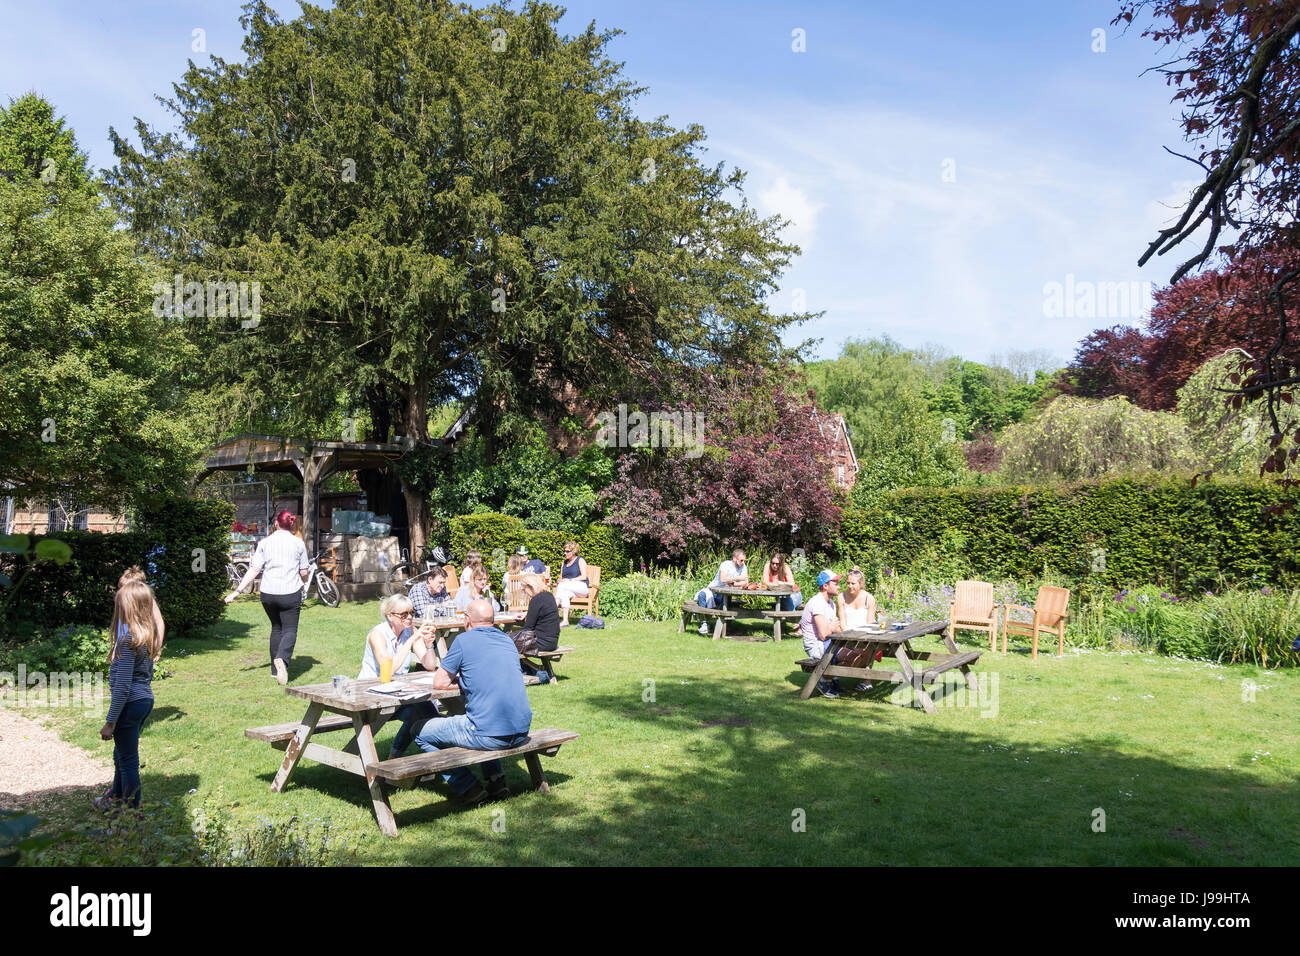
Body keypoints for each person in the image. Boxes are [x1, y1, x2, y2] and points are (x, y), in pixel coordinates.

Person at [412, 599, 533, 804]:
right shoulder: (507, 641)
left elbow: (440, 682)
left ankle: (467, 786)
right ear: (493, 621)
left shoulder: (463, 641)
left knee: (419, 730)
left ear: (467, 621)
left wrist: (466, 681)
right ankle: (496, 781)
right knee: (484, 716)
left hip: (487, 734)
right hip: (522, 730)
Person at [96, 581, 162, 811]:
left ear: (126, 608)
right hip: (144, 701)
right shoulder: (146, 637)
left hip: (130, 703)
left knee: (128, 761)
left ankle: (132, 814)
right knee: (122, 754)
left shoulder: (128, 641)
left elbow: (123, 687)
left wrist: (110, 722)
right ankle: (115, 796)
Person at [226, 510, 310, 685]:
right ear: (291, 524)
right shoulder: (298, 543)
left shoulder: (264, 543)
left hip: (268, 594)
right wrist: (304, 580)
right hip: (290, 592)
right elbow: (304, 571)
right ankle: (282, 659)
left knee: (276, 628)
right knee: (290, 630)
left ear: (276, 524)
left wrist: (237, 591)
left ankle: (274, 671)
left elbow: (255, 569)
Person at [359, 595, 441, 759]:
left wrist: (429, 644)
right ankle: (397, 758)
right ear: (390, 615)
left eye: (411, 612)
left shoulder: (408, 631)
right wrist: (411, 641)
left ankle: (439, 757)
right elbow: (387, 671)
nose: (409, 617)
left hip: (397, 693)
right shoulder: (378, 634)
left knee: (429, 710)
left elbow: (430, 665)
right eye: (404, 614)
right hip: (369, 694)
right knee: (418, 713)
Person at [800, 570, 875, 698]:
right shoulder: (817, 603)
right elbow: (824, 634)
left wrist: (834, 628)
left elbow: (836, 629)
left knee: (865, 652)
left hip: (829, 642)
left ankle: (833, 679)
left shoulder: (830, 603)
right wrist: (832, 627)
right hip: (817, 645)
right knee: (855, 658)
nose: (839, 586)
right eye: (835, 583)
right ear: (825, 586)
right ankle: (824, 679)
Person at [511, 573, 559, 683]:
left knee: (506, 644)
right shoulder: (549, 596)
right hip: (552, 641)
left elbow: (528, 629)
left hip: (540, 643)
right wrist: (528, 614)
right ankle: (534, 668)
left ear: (531, 586)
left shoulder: (536, 600)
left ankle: (534, 668)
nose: (524, 592)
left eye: (524, 589)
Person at [694, 549, 749, 634]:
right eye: (741, 560)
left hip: (726, 593)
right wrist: (737, 579)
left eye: (744, 560)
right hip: (713, 589)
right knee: (702, 595)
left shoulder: (743, 566)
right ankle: (704, 624)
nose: (743, 562)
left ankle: (719, 625)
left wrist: (732, 583)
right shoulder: (725, 564)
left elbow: (745, 582)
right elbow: (723, 579)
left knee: (725, 599)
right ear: (735, 558)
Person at [117, 567, 166, 662]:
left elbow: (159, 622)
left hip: (141, 643)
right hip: (125, 645)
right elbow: (120, 627)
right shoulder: (124, 602)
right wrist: (115, 648)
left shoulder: (149, 600)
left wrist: (157, 647)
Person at [554, 540, 590, 627]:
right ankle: (565, 621)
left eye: (567, 551)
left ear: (574, 552)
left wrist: (569, 580)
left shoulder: (580, 560)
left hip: (582, 588)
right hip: (569, 588)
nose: (565, 553)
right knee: (564, 594)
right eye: (564, 551)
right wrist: (560, 580)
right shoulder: (564, 563)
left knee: (562, 586)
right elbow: (562, 578)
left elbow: (584, 576)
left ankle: (551, 613)